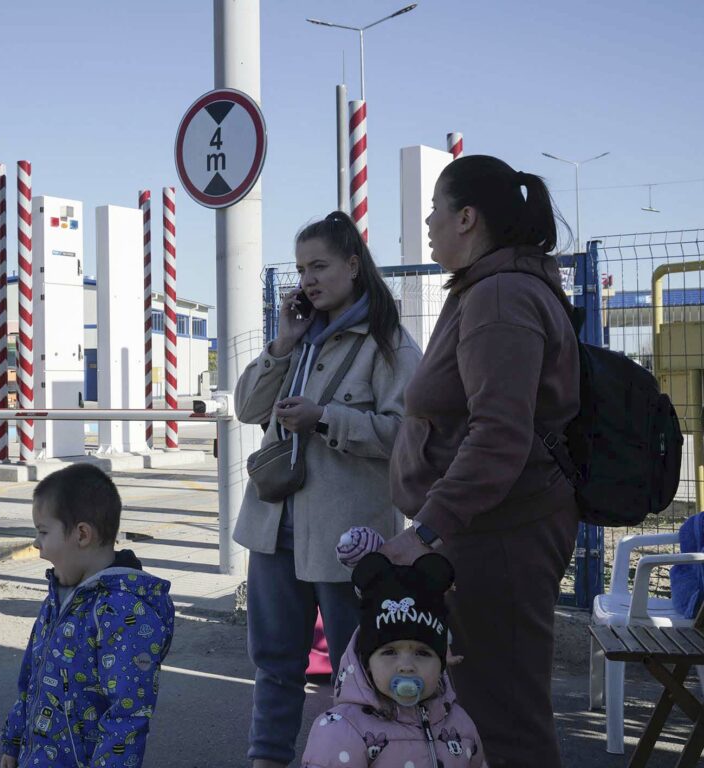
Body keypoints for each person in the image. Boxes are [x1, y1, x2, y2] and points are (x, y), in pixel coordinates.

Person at [382, 155, 580, 768]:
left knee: (505, 720)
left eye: (435, 213)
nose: (429, 227)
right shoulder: (490, 287)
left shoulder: (499, 296)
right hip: (489, 531)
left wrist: (429, 529)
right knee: (482, 709)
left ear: (467, 217)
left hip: (500, 536)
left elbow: (499, 435)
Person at [233, 211, 422, 768]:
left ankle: (365, 757)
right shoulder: (300, 339)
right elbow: (247, 407)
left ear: (353, 266)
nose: (308, 279)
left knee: (358, 666)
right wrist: (282, 344)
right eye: (301, 269)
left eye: (320, 266)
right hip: (273, 528)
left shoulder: (388, 344)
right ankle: (267, 759)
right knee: (274, 661)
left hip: (351, 539)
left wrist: (323, 418)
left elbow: (403, 437)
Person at [0, 464, 175, 768]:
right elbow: (31, 679)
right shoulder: (59, 596)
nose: (36, 544)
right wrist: (13, 743)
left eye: (43, 532)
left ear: (81, 534)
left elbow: (127, 715)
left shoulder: (122, 611)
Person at [300, 552, 487, 768]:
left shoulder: (460, 726)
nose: (406, 666)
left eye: (423, 653)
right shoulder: (342, 730)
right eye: (389, 652)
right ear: (366, 660)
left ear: (442, 662)